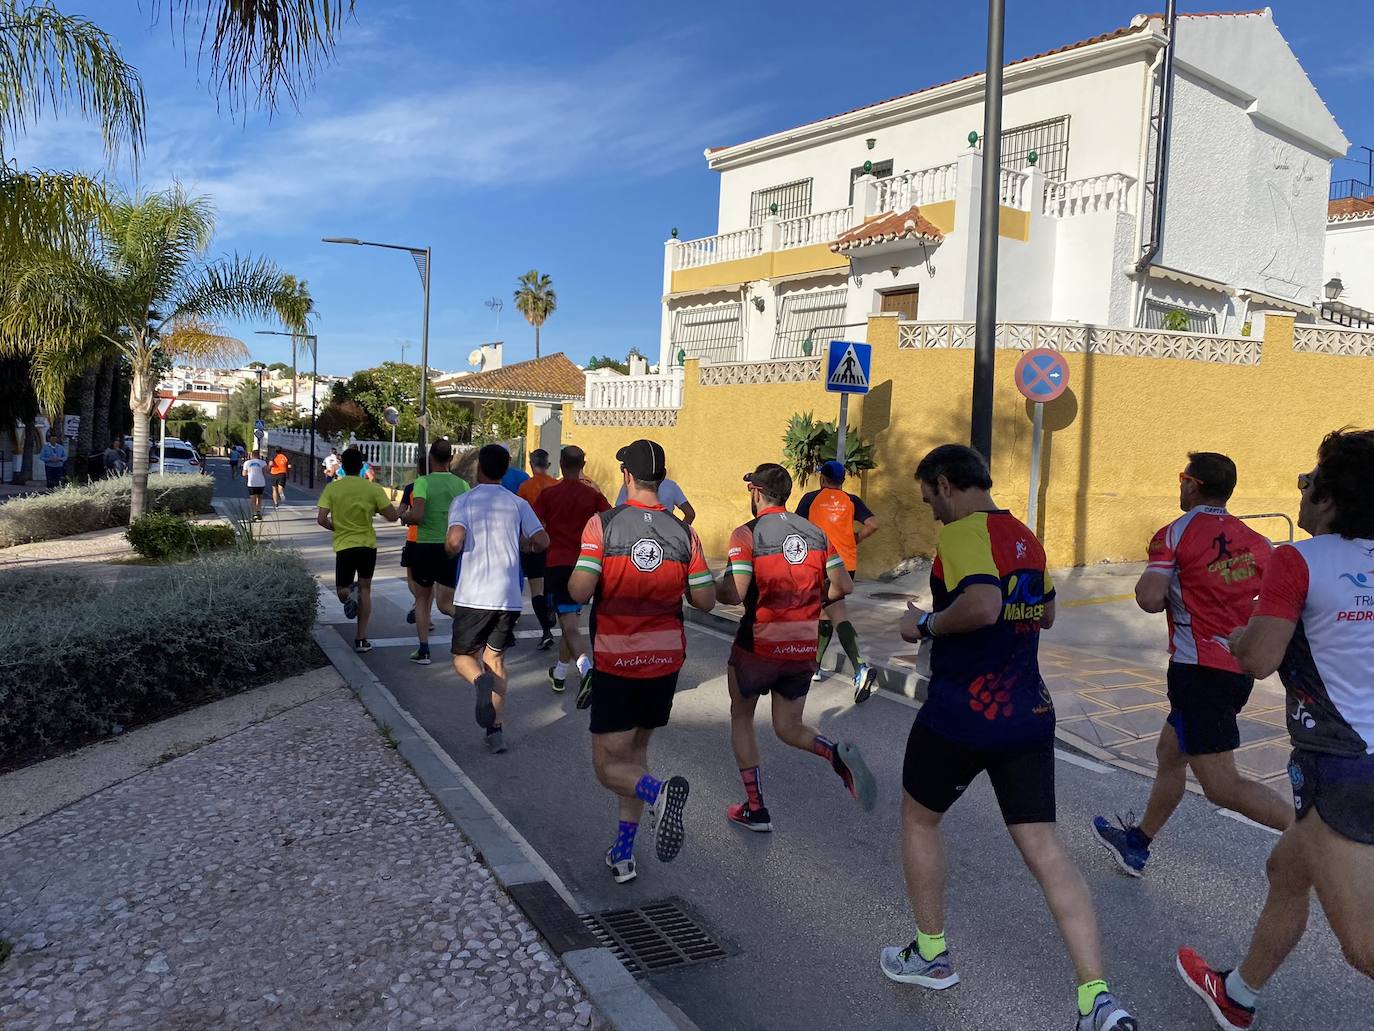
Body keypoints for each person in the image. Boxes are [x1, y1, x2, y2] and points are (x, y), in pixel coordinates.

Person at [884, 444, 1136, 1031]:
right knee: (1045, 848)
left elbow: (981, 603)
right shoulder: (1025, 535)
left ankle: (929, 953)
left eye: (929, 501)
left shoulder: (963, 533)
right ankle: (1097, 998)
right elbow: (1043, 615)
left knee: (920, 819)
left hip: (962, 713)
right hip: (1028, 712)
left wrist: (921, 622)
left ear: (946, 485)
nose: (933, 514)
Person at [1177, 429, 1374, 1031]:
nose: (1303, 493)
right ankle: (1238, 994)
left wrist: (1238, 639)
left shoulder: (1298, 560)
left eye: (1308, 483)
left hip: (1339, 763)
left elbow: (1259, 657)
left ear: (1332, 500)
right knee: (1287, 869)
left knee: (1364, 948)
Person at [1092, 452, 1287, 877]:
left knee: (1222, 786)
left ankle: (1313, 838)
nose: (1179, 485)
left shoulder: (1173, 534)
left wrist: (1165, 579)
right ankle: (1137, 844)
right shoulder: (1257, 541)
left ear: (1193, 484)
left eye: (1182, 478)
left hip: (1198, 672)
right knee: (1170, 753)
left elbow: (1148, 599)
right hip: (1236, 669)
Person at [568, 439, 715, 884]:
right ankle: (623, 854)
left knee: (608, 766)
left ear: (627, 478)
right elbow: (706, 600)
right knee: (634, 755)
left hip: (618, 661)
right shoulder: (684, 534)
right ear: (662, 480)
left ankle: (659, 792)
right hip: (665, 661)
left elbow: (578, 591)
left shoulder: (603, 525)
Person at [716, 462, 875, 831]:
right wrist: (812, 602)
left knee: (742, 718)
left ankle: (756, 809)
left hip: (757, 646)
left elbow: (736, 592)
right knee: (788, 727)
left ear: (756, 492)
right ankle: (834, 754)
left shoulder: (746, 534)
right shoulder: (817, 534)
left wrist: (713, 588)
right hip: (801, 647)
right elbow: (843, 587)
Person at [445, 444, 549, 754]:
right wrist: (523, 547)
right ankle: (496, 731)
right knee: (496, 660)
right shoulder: (517, 503)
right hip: (508, 598)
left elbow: (455, 540)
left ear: (478, 467)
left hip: (473, 595)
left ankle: (479, 682)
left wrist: (450, 550)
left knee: (464, 659)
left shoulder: (463, 501)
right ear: (505, 471)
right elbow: (542, 540)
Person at [796, 460, 880, 703]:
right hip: (847, 566)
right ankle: (817, 666)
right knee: (830, 611)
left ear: (822, 479)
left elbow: (797, 528)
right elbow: (873, 524)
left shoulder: (810, 499)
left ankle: (859, 667)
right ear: (842, 481)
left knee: (832, 613)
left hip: (820, 563)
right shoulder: (852, 501)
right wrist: (855, 539)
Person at [532, 445, 610, 695]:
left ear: (561, 465)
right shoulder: (592, 496)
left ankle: (586, 669)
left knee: (568, 624)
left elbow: (534, 525)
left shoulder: (548, 494)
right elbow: (611, 519)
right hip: (586, 565)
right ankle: (560, 672)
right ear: (583, 465)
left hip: (557, 564)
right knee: (570, 621)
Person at [316, 447, 398, 654]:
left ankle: (349, 593)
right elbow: (392, 516)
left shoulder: (333, 488)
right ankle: (361, 639)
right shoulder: (373, 489)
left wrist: (339, 527)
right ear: (362, 466)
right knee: (366, 589)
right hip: (367, 546)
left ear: (342, 466)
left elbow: (321, 519)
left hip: (344, 546)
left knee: (343, 591)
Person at [402, 440, 470, 666]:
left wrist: (406, 517)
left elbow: (418, 515)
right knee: (446, 603)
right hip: (450, 546)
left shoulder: (422, 483)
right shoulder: (462, 485)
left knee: (422, 600)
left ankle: (424, 651)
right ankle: (471, 633)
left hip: (424, 546)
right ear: (451, 459)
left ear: (431, 458)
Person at [517, 449, 560, 649]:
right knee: (551, 581)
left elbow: (520, 517)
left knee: (536, 588)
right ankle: (551, 604)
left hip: (534, 541)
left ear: (530, 463)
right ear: (549, 465)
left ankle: (546, 631)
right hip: (554, 542)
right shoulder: (556, 485)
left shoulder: (525, 487)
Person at [614, 474, 696, 525]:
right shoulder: (671, 486)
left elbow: (618, 512)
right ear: (663, 472)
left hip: (635, 535)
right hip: (665, 536)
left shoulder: (630, 485)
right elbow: (690, 514)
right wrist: (679, 533)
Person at [241, 449, 269, 521]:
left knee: (253, 499)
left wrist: (250, 472)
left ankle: (254, 514)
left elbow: (243, 474)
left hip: (251, 483)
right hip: (261, 483)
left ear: (252, 455)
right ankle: (258, 512)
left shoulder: (247, 463)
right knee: (259, 498)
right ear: (258, 455)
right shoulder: (263, 462)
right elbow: (266, 472)